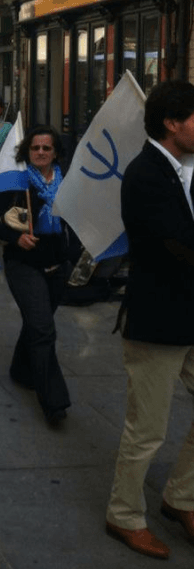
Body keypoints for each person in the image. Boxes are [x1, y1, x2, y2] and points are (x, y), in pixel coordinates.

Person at [105, 80, 194, 560]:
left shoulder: (189, 169)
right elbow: (172, 247)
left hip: (192, 316)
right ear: (172, 123)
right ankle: (124, 515)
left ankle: (182, 497)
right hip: (159, 320)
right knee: (148, 429)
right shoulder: (144, 174)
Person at [0, 125, 72, 425]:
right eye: (35, 148)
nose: (41, 153)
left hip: (58, 266)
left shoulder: (67, 182)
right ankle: (54, 403)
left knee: (37, 323)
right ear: (27, 151)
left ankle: (21, 370)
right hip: (23, 265)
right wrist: (15, 236)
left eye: (47, 148)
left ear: (55, 152)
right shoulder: (15, 182)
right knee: (44, 328)